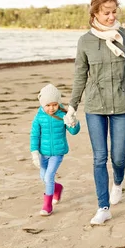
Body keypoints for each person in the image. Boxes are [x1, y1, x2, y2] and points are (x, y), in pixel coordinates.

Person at [64, 0, 125, 225]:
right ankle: (103, 207)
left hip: (122, 105)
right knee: (100, 158)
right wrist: (72, 107)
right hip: (95, 106)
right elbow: (80, 76)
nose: (111, 17)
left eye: (113, 12)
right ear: (95, 13)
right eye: (106, 13)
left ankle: (118, 182)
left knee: (117, 157)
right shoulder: (86, 41)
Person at [30, 83, 80, 216]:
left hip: (57, 153)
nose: (51, 108)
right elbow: (34, 135)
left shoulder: (63, 115)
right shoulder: (39, 117)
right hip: (43, 153)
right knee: (44, 177)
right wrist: (34, 153)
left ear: (58, 103)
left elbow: (74, 131)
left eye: (54, 104)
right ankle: (57, 188)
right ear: (42, 104)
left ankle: (47, 206)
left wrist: (73, 121)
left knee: (49, 176)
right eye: (48, 105)